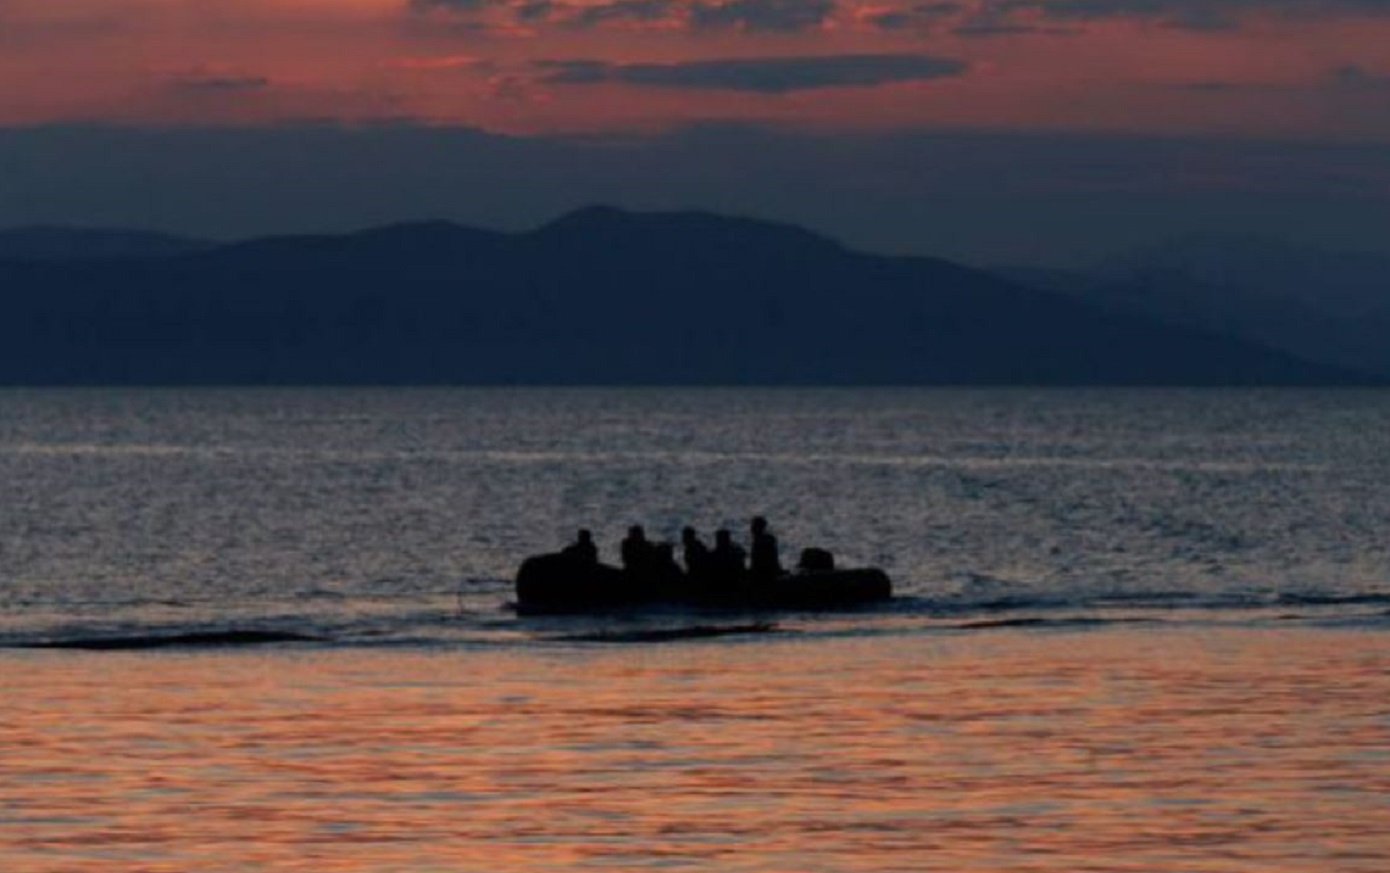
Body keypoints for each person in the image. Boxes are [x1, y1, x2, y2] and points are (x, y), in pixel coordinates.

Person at [749, 516, 782, 581]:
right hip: (770, 575)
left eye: (753, 527)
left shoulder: (760, 542)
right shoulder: (767, 540)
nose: (751, 530)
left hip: (763, 577)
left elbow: (758, 564)